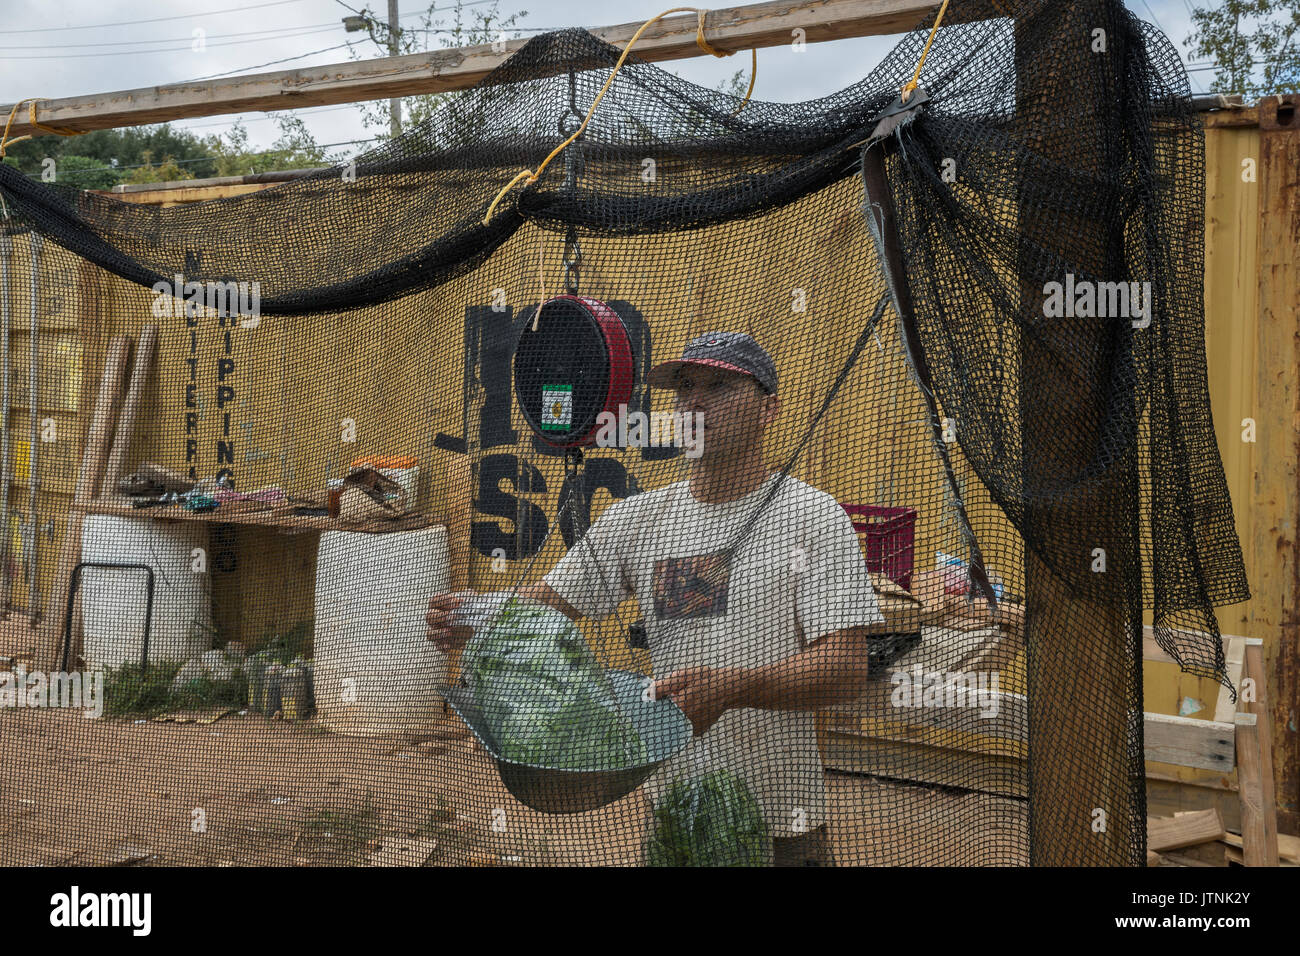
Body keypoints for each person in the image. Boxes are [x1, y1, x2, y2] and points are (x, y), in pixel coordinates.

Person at [427, 330, 883, 866]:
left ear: (769, 409)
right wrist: (478, 614)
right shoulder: (639, 519)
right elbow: (551, 600)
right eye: (685, 387)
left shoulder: (812, 518)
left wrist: (734, 688)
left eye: (719, 387)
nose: (694, 401)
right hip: (674, 815)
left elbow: (847, 667)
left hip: (780, 820)